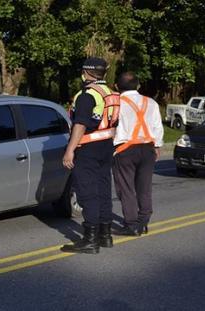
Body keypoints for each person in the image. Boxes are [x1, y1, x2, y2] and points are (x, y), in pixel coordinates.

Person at [60, 57, 119, 254]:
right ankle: (105, 235)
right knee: (103, 189)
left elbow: (80, 124)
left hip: (88, 148)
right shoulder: (110, 93)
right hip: (106, 146)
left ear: (86, 72)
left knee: (88, 192)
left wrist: (70, 149)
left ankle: (90, 240)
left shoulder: (87, 95)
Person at [112, 72, 163, 236]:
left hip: (124, 149)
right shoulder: (151, 102)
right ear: (138, 86)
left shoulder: (116, 103)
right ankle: (143, 221)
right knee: (144, 187)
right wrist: (157, 145)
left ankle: (131, 224)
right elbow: (157, 127)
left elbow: (111, 127)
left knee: (126, 188)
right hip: (147, 147)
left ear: (116, 86)